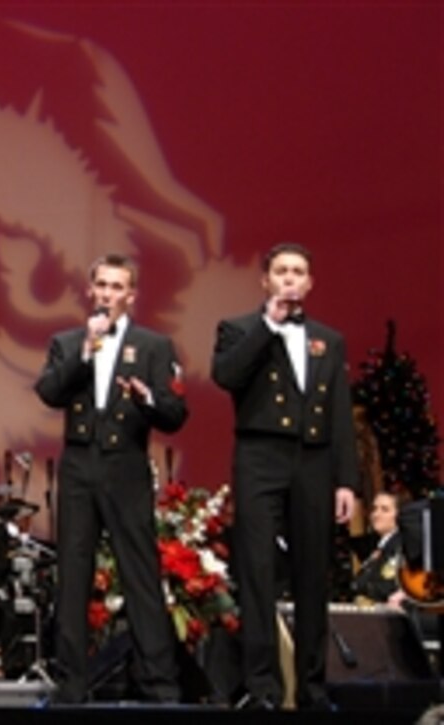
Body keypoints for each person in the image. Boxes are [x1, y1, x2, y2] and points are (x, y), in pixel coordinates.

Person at [211, 242, 358, 710]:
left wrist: (346, 481)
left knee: (313, 573)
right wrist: (268, 325)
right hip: (259, 456)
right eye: (281, 271)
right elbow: (226, 376)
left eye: (298, 272)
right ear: (266, 281)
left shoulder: (328, 340)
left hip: (313, 461)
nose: (290, 279)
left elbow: (339, 415)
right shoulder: (239, 329)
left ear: (310, 282)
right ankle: (263, 687)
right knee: (257, 571)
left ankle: (313, 686)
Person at [35, 253, 187, 704]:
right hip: (80, 464)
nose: (107, 294)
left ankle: (160, 683)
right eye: (101, 285)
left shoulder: (154, 346)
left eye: (117, 287)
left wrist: (148, 400)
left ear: (132, 295)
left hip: (126, 465)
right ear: (90, 290)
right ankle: (72, 684)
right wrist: (85, 351)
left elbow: (176, 412)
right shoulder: (68, 342)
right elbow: (48, 391)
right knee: (74, 574)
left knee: (139, 573)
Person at [352, 491, 405, 608]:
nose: (376, 514)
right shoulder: (378, 546)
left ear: (399, 515)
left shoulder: (401, 546)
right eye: (375, 509)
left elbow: (388, 585)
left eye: (385, 510)